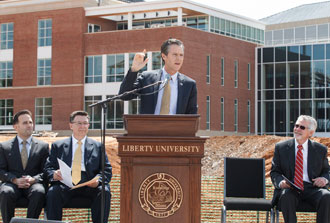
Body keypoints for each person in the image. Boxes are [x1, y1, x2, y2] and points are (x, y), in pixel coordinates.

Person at [44, 111, 112, 223]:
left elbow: (107, 170)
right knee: (52, 192)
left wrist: (98, 180)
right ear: (71, 125)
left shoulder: (98, 146)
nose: (82, 126)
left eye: (85, 123)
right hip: (65, 183)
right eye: (79, 123)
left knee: (104, 191)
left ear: (89, 125)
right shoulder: (58, 146)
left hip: (89, 184)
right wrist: (54, 175)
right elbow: (48, 168)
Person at [271, 115, 330, 223]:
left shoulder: (320, 149)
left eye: (302, 127)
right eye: (296, 126)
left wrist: (324, 179)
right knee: (286, 196)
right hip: (290, 188)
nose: (297, 129)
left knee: (326, 196)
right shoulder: (281, 148)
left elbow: (327, 171)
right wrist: (281, 183)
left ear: (311, 132)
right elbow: (275, 172)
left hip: (312, 188)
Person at [119, 38, 198, 114]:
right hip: (150, 127)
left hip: (176, 127)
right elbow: (124, 96)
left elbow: (192, 115)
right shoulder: (147, 78)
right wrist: (134, 70)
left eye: (181, 55)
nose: (179, 59)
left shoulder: (189, 84)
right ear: (164, 56)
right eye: (175, 54)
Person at [0, 109, 49, 223]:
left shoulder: (43, 146)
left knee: (39, 191)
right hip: (12, 183)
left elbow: (46, 170)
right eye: (25, 123)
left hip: (33, 184)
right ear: (15, 127)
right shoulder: (4, 147)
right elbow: (1, 170)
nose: (29, 125)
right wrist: (14, 179)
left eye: (30, 122)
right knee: (5, 192)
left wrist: (34, 179)